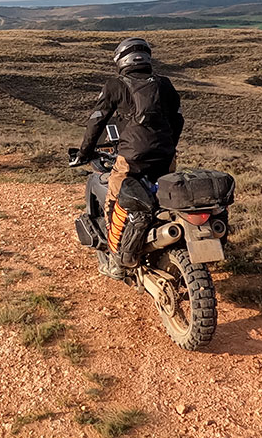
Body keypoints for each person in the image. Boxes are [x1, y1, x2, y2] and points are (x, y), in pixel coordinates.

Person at [72, 37, 184, 278]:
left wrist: (84, 152)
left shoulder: (116, 84)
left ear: (121, 60)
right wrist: (169, 146)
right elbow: (178, 119)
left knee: (115, 201)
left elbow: (97, 120)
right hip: (165, 157)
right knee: (166, 199)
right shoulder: (164, 84)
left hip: (131, 159)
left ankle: (118, 259)